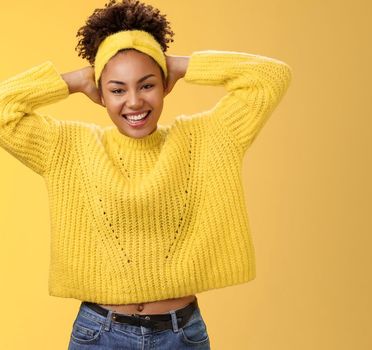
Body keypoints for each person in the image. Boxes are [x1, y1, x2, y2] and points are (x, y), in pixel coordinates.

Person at [0, 0, 292, 348]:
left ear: (165, 84)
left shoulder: (208, 138)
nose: (134, 101)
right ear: (101, 93)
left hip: (180, 335)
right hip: (99, 334)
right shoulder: (67, 147)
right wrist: (76, 80)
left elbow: (271, 77)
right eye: (117, 89)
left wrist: (180, 65)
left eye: (147, 84)